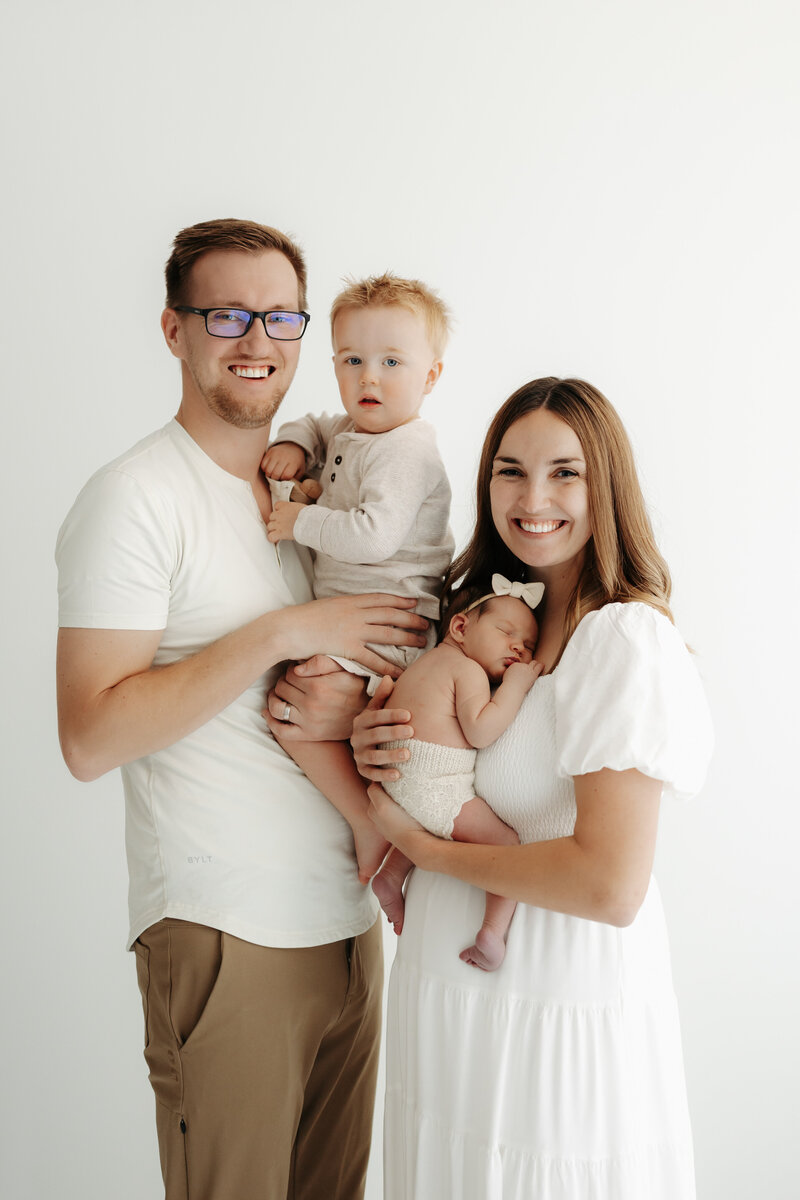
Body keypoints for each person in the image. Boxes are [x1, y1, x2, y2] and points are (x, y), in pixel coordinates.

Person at [55, 218, 430, 1200]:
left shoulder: (311, 491)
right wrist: (277, 635)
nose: (255, 340)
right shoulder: (134, 498)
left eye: (279, 316)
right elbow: (89, 737)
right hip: (226, 930)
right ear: (174, 330)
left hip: (347, 929)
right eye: (225, 313)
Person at [352, 377, 713, 1200]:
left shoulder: (619, 637)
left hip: (553, 1003)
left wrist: (423, 849)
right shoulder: (480, 619)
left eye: (565, 473)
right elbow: (453, 760)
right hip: (449, 998)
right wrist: (385, 742)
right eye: (509, 471)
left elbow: (609, 885)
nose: (533, 497)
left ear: (607, 486)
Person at [262, 273, 454, 882]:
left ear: (430, 377)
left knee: (292, 712)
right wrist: (294, 442)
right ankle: (372, 818)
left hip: (391, 622)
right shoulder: (353, 427)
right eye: (352, 359)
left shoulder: (406, 450)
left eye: (391, 361)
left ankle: (369, 822)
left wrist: (301, 520)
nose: (368, 377)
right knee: (304, 705)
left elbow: (373, 535)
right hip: (355, 616)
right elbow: (317, 425)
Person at [372, 576, 543, 970]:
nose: (518, 646)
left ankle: (390, 875)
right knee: (507, 847)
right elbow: (482, 731)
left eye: (529, 644)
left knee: (428, 820)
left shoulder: (426, 663)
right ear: (461, 627)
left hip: (401, 780)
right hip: (433, 782)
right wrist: (515, 687)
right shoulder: (468, 671)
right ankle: (492, 933)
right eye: (506, 632)